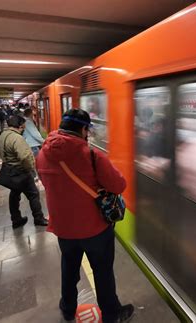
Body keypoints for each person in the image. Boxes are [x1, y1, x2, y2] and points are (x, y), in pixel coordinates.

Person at [36, 109, 134, 323]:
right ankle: (111, 314)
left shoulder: (42, 154)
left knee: (69, 268)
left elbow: (47, 184)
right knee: (102, 272)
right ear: (83, 129)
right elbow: (118, 185)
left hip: (63, 227)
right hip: (95, 228)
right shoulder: (91, 155)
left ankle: (68, 308)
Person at [0, 115, 48, 228]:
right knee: (33, 194)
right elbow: (25, 157)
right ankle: (38, 218)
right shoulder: (17, 138)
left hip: (10, 170)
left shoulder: (3, 135)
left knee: (14, 195)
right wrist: (30, 168)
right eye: (24, 123)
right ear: (20, 125)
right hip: (21, 172)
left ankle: (16, 219)